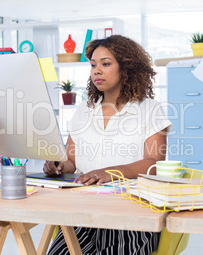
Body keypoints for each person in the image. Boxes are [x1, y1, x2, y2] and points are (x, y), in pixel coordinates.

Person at [44, 35, 172, 255]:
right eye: (93, 65)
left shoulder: (149, 109)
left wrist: (109, 172)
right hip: (82, 215)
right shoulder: (84, 110)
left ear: (126, 68)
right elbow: (71, 162)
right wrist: (57, 165)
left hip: (131, 216)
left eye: (106, 63)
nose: (96, 71)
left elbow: (155, 163)